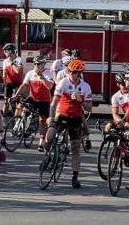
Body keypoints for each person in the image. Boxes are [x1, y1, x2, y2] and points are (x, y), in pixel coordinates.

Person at [45, 59, 92, 189]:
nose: (72, 74)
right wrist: (50, 118)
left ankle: (75, 177)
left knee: (75, 148)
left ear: (79, 73)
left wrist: (81, 100)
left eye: (75, 72)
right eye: (70, 71)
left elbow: (89, 108)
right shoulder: (63, 83)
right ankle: (47, 156)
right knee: (49, 136)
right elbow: (54, 103)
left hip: (75, 118)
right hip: (61, 115)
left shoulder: (85, 87)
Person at [15, 55, 53, 151]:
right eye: (36, 64)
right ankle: (19, 124)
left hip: (44, 100)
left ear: (44, 65)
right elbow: (24, 85)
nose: (37, 66)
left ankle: (41, 142)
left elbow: (49, 86)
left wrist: (42, 77)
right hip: (33, 98)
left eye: (39, 64)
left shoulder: (48, 73)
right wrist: (16, 95)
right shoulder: (30, 73)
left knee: (42, 121)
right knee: (21, 105)